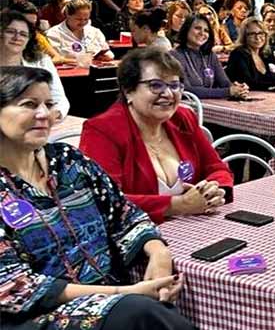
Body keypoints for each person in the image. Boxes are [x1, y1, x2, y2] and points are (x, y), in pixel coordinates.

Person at [0, 66, 225, 330]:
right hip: (27, 324)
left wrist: (158, 252)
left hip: (107, 303)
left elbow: (124, 213)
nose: (44, 114)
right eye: (29, 104)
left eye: (48, 104)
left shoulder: (68, 162)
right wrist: (122, 292)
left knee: (156, 311)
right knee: (139, 315)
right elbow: (16, 289)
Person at [80, 48, 233, 224]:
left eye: (174, 85)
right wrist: (178, 205)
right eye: (155, 85)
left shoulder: (183, 118)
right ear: (128, 91)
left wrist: (214, 189)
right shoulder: (103, 130)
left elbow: (217, 168)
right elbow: (104, 201)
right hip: (133, 238)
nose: (168, 94)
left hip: (195, 229)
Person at [0, 11, 69, 118]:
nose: (17, 37)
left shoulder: (42, 62)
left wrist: (51, 115)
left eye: (23, 34)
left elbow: (60, 100)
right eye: (10, 32)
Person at [171, 14, 248, 100]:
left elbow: (225, 84)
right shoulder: (174, 55)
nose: (202, 33)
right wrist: (228, 92)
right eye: (197, 28)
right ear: (186, 29)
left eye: (206, 30)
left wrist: (238, 89)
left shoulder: (211, 55)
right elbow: (186, 90)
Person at [226, 18, 275, 91]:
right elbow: (249, 83)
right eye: (252, 34)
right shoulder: (238, 54)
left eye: (261, 33)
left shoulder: (267, 53)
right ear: (244, 36)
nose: (257, 37)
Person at [46, 0, 113, 61]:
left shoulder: (95, 32)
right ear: (68, 15)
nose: (83, 22)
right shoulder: (53, 34)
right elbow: (54, 59)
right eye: (79, 19)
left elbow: (105, 51)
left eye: (86, 19)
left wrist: (107, 55)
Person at [9, 0, 68, 65]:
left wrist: (38, 65)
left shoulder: (37, 37)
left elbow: (57, 57)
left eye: (33, 24)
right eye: (26, 24)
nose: (30, 28)